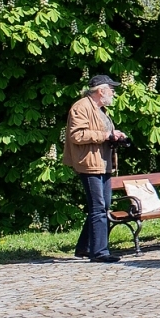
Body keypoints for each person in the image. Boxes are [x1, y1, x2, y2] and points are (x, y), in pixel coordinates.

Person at [64, 74, 128, 263]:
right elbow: (77, 135)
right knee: (99, 207)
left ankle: (85, 247)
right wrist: (107, 135)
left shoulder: (100, 110)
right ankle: (99, 252)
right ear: (101, 91)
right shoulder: (81, 107)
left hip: (103, 163)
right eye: (112, 90)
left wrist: (115, 136)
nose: (114, 93)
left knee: (103, 206)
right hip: (90, 164)